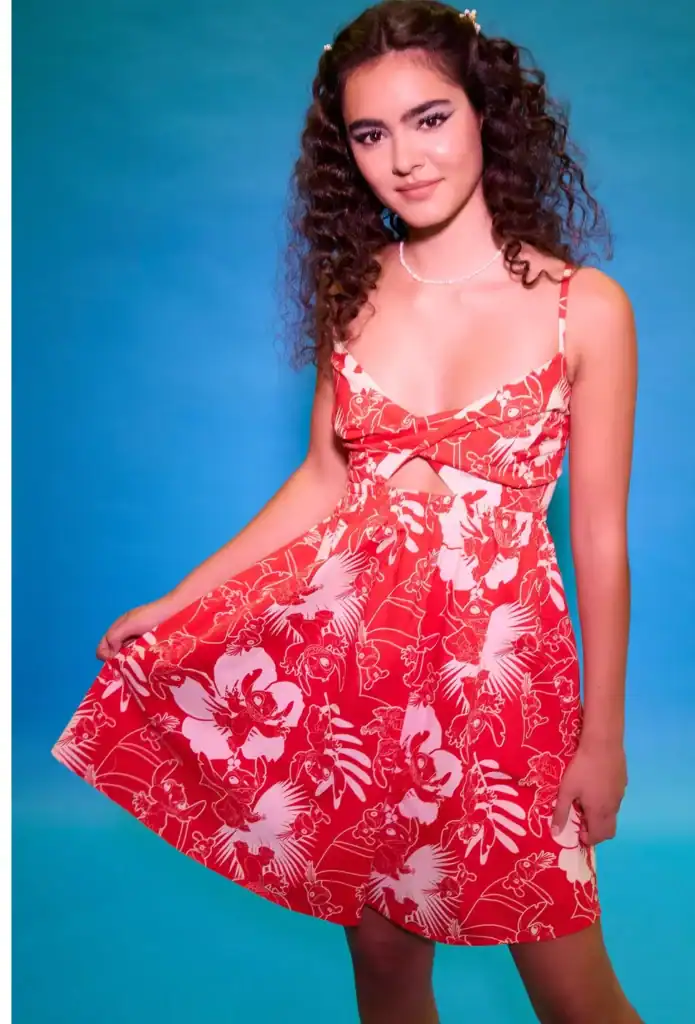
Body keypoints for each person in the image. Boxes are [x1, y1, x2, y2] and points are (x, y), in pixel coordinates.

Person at [52, 2, 642, 1021]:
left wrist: (603, 738)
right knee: (382, 958)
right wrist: (180, 600)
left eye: (429, 118)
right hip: (361, 675)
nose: (404, 158)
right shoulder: (357, 295)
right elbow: (325, 481)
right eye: (371, 134)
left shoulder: (582, 308)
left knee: (571, 991)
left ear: (485, 113)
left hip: (503, 692)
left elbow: (597, 537)